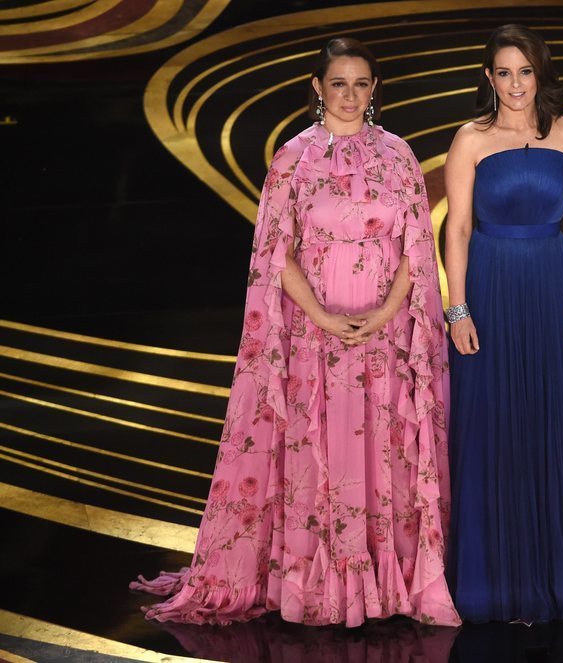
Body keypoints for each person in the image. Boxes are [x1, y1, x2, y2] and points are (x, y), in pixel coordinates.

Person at [130, 37, 461, 628]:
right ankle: (317, 584)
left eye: (362, 83)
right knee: (323, 455)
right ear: (317, 88)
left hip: (382, 338)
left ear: (374, 89)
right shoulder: (292, 160)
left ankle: (387, 586)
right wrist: (327, 318)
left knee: (382, 455)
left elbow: (417, 246)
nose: (352, 95)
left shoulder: (399, 156)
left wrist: (384, 315)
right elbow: (274, 253)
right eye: (339, 83)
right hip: (315, 337)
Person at [443, 24, 563, 623]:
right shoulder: (470, 140)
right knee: (494, 422)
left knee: (556, 419)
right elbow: (456, 229)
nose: (516, 84)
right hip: (491, 291)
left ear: (540, 73)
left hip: (556, 290)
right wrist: (457, 307)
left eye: (525, 71)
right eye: (504, 72)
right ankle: (498, 572)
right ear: (488, 78)